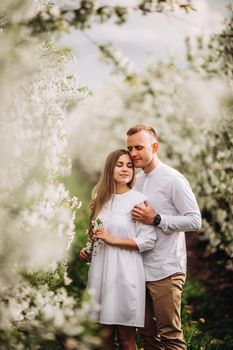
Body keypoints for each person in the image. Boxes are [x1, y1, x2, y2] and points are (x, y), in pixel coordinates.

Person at [126, 124, 202, 350]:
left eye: (139, 147)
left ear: (155, 147)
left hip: (166, 269)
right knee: (149, 336)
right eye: (129, 148)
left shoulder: (173, 179)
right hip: (139, 269)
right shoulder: (136, 181)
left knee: (170, 336)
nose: (133, 154)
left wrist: (157, 219)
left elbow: (194, 220)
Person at [80, 149, 157, 350]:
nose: (125, 169)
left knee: (126, 339)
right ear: (109, 168)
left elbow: (148, 240)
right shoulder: (99, 198)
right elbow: (96, 233)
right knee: (103, 337)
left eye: (129, 166)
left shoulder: (138, 200)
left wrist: (113, 240)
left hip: (126, 273)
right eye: (119, 165)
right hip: (100, 271)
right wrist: (87, 249)